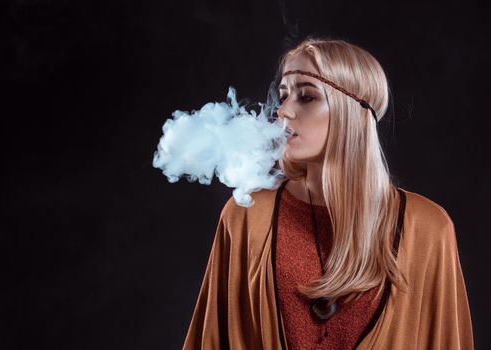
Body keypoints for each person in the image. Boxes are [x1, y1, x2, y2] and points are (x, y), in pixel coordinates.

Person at [182, 37, 473, 349]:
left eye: (306, 97)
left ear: (352, 112)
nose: (282, 112)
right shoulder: (247, 215)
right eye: (283, 96)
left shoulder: (428, 228)